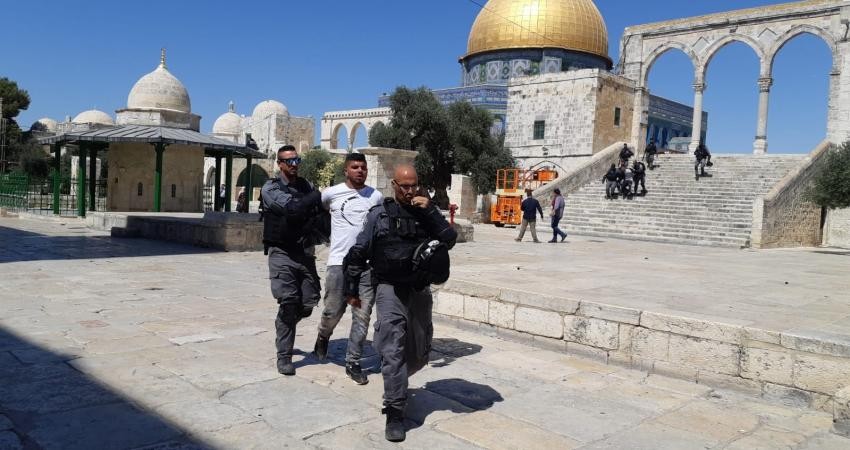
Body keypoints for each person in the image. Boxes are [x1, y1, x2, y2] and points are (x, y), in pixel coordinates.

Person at [343, 164, 457, 442]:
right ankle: (394, 410)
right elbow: (358, 251)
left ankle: (398, 381)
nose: (409, 191)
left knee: (418, 356)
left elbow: (450, 239)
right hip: (389, 289)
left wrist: (430, 210)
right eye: (404, 186)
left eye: (414, 185)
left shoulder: (426, 213)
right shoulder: (379, 214)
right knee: (392, 348)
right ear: (394, 185)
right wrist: (351, 288)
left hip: (419, 290)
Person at [314, 153, 383, 385]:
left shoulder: (376, 197)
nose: (360, 171)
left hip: (366, 266)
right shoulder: (331, 194)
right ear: (346, 170)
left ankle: (353, 361)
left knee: (362, 316)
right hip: (338, 263)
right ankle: (323, 335)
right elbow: (320, 212)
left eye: (363, 167)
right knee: (332, 311)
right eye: (355, 167)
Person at [261, 145, 327, 376]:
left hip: (305, 252)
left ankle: (284, 323)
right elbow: (293, 209)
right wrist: (316, 197)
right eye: (288, 161)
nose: (294, 165)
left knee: (309, 302)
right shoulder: (271, 188)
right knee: (289, 303)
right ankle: (284, 355)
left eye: (296, 160)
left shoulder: (306, 186)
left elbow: (318, 212)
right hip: (282, 253)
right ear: (279, 164)